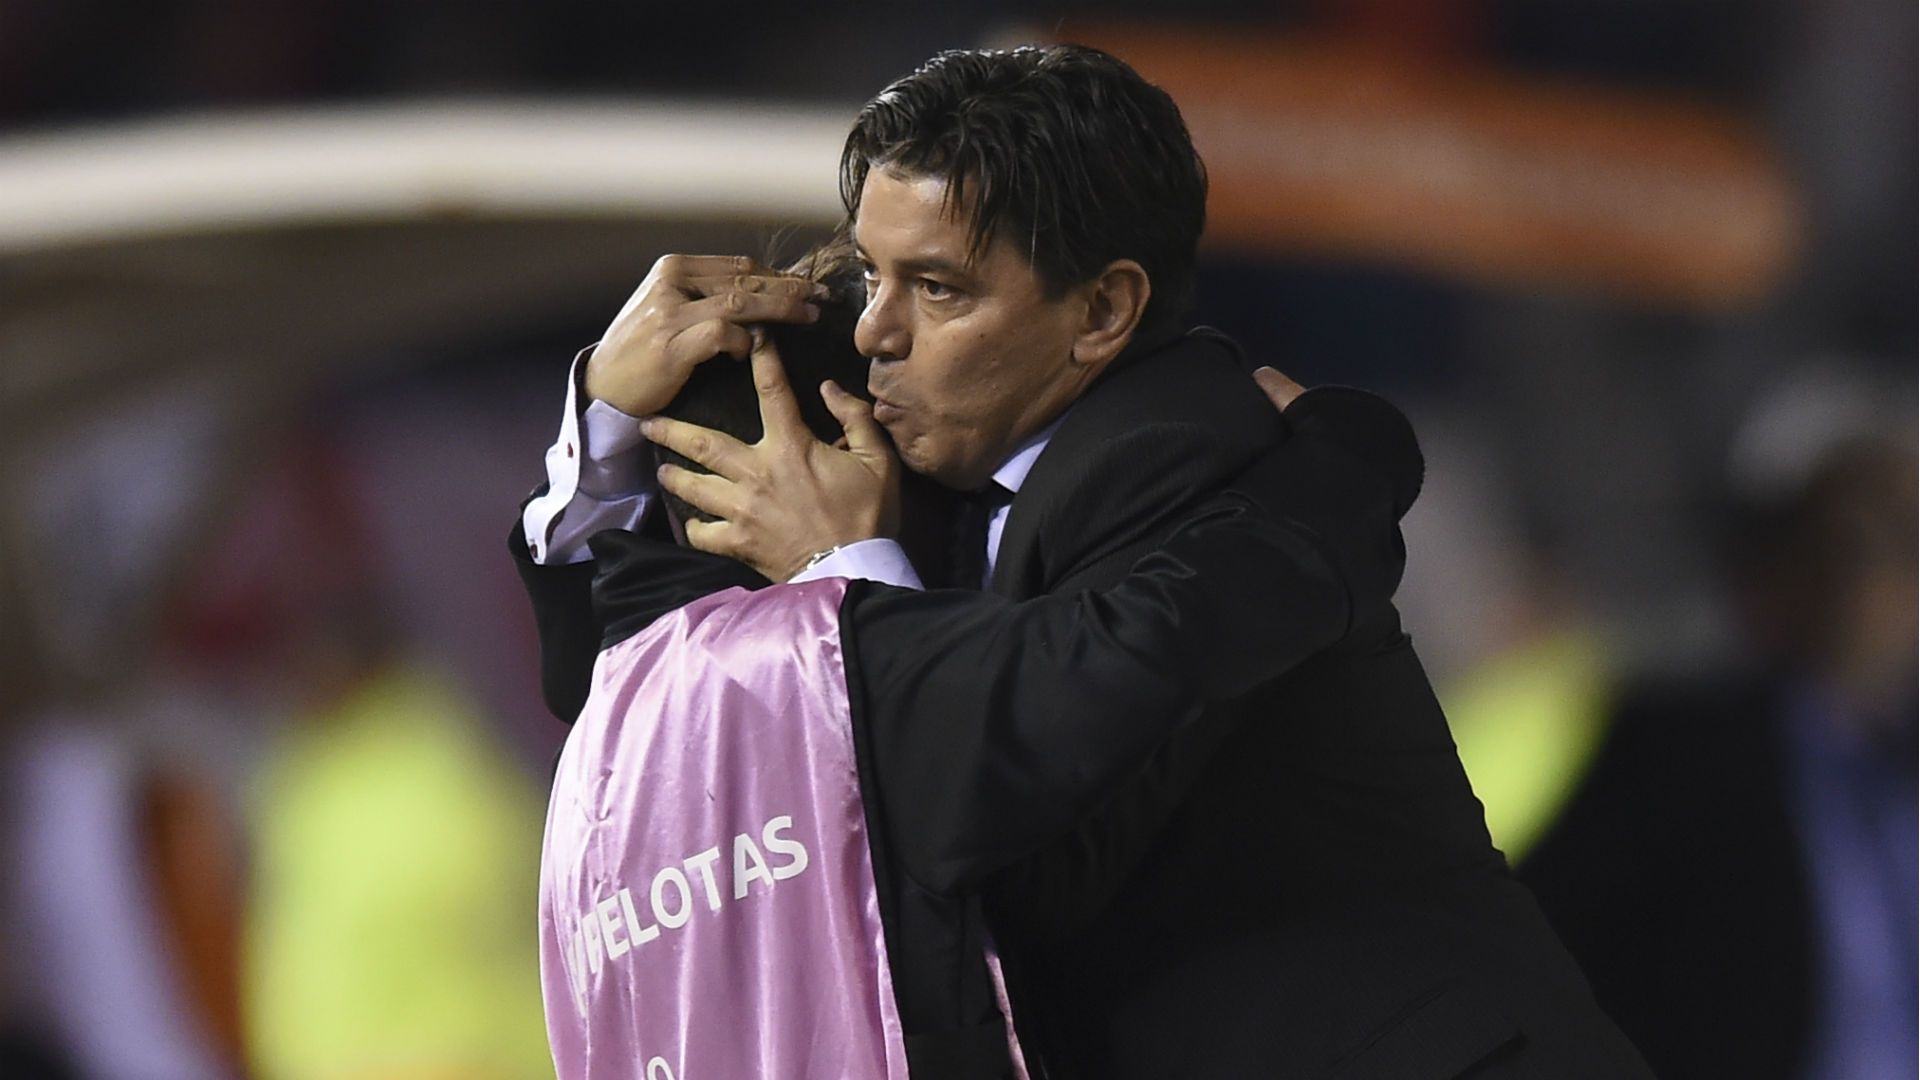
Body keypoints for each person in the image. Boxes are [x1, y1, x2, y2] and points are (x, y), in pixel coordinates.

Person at [518, 44, 1650, 1078]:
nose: (876, 333)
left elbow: (1012, 840)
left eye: (940, 288)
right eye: (872, 276)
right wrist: (604, 420)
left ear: (1103, 310)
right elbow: (634, 687)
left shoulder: (1181, 456)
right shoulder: (946, 480)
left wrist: (836, 576)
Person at [534, 275, 1423, 1079]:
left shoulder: (594, 751)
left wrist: (605, 420)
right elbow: (1163, 639)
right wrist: (1349, 454)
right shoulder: (834, 672)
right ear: (847, 449)